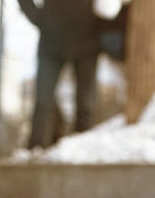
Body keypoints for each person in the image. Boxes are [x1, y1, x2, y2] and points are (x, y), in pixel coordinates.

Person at [19, 0, 119, 149]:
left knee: (85, 103)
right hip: (51, 40)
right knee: (43, 101)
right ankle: (36, 148)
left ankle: (82, 150)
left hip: (87, 40)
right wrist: (38, 17)